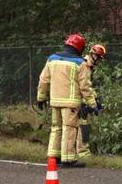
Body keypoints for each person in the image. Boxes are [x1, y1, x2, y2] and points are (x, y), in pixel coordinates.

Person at [37, 34, 96, 167]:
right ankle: (68, 160)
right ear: (80, 48)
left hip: (55, 101)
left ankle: (53, 157)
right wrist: (92, 104)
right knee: (69, 129)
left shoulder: (52, 59)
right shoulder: (80, 63)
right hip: (71, 103)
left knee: (56, 128)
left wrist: (41, 97)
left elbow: (43, 80)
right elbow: (85, 86)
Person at [74, 43, 107, 163]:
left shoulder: (90, 66)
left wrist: (96, 101)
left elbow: (89, 87)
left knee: (81, 125)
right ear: (92, 54)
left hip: (83, 99)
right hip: (79, 100)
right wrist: (90, 104)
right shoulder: (85, 65)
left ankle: (79, 150)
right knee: (83, 126)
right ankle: (82, 152)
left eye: (100, 58)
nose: (98, 60)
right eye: (97, 57)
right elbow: (84, 87)